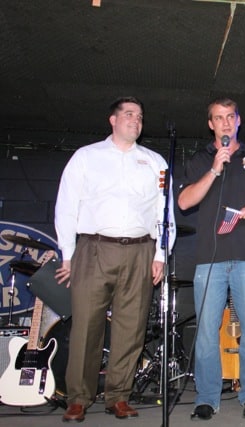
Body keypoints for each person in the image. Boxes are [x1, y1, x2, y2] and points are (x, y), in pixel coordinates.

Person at [54, 96, 175, 422]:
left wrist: (161, 254)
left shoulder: (155, 162)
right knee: (86, 326)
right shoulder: (86, 157)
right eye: (129, 114)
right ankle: (79, 398)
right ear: (113, 120)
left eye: (140, 116)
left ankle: (118, 396)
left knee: (131, 327)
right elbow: (66, 205)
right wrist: (67, 253)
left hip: (140, 250)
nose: (136, 120)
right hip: (94, 248)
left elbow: (164, 212)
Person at [177, 97, 245, 420]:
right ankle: (207, 398)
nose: (225, 122)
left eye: (230, 116)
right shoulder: (200, 159)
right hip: (210, 259)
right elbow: (184, 202)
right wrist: (213, 170)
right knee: (207, 331)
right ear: (211, 124)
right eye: (218, 118)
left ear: (238, 120)